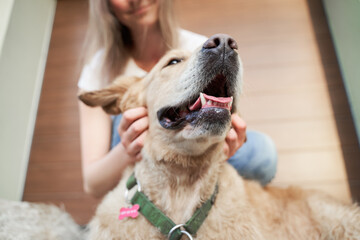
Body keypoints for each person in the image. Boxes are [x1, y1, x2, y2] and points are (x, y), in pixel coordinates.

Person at [78, 0, 277, 198]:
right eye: (174, 62)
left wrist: (231, 138)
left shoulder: (202, 47)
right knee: (126, 117)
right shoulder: (98, 71)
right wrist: (127, 149)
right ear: (105, 5)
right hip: (137, 163)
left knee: (261, 152)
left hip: (198, 155)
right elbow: (92, 185)